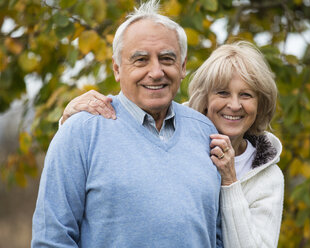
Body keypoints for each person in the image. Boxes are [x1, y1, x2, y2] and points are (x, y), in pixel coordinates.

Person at [32, 1, 223, 247]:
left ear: (183, 66)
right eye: (141, 60)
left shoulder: (205, 132)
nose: (156, 72)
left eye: (166, 59)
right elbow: (52, 239)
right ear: (117, 69)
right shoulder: (80, 132)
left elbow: (217, 236)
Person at [61, 41, 285, 247]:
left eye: (246, 95)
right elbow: (117, 152)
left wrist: (229, 181)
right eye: (223, 93)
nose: (234, 105)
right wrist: (69, 122)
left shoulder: (267, 177)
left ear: (260, 103)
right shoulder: (167, 131)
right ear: (204, 97)